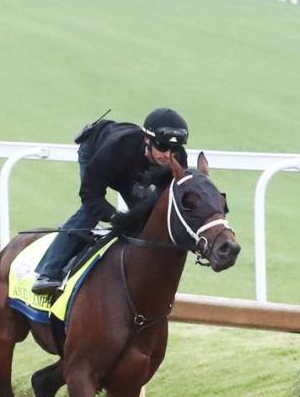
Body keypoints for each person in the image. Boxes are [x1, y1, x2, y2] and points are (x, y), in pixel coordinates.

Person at [31, 107, 190, 294]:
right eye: (162, 147)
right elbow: (90, 194)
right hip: (96, 151)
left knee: (146, 216)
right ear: (147, 139)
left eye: (175, 149)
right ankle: (49, 273)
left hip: (132, 170)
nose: (168, 155)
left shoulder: (178, 159)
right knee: (90, 212)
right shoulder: (117, 146)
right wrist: (112, 215)